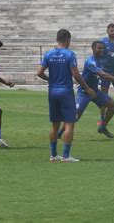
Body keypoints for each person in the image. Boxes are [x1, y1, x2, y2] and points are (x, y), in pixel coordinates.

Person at [37, 29, 96, 163]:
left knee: (54, 125)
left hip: (52, 91)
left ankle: (53, 155)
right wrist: (87, 88)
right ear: (68, 39)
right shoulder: (69, 54)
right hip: (65, 91)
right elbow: (75, 74)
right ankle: (66, 156)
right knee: (69, 124)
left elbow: (39, 72)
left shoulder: (48, 54)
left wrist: (50, 79)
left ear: (57, 39)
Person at [58, 41, 114, 139]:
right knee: (75, 116)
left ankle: (102, 127)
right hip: (84, 91)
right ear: (93, 49)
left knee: (113, 106)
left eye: (103, 48)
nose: (101, 50)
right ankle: (59, 133)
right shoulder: (91, 62)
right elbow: (102, 74)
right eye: (99, 48)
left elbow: (102, 73)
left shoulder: (101, 60)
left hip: (94, 91)